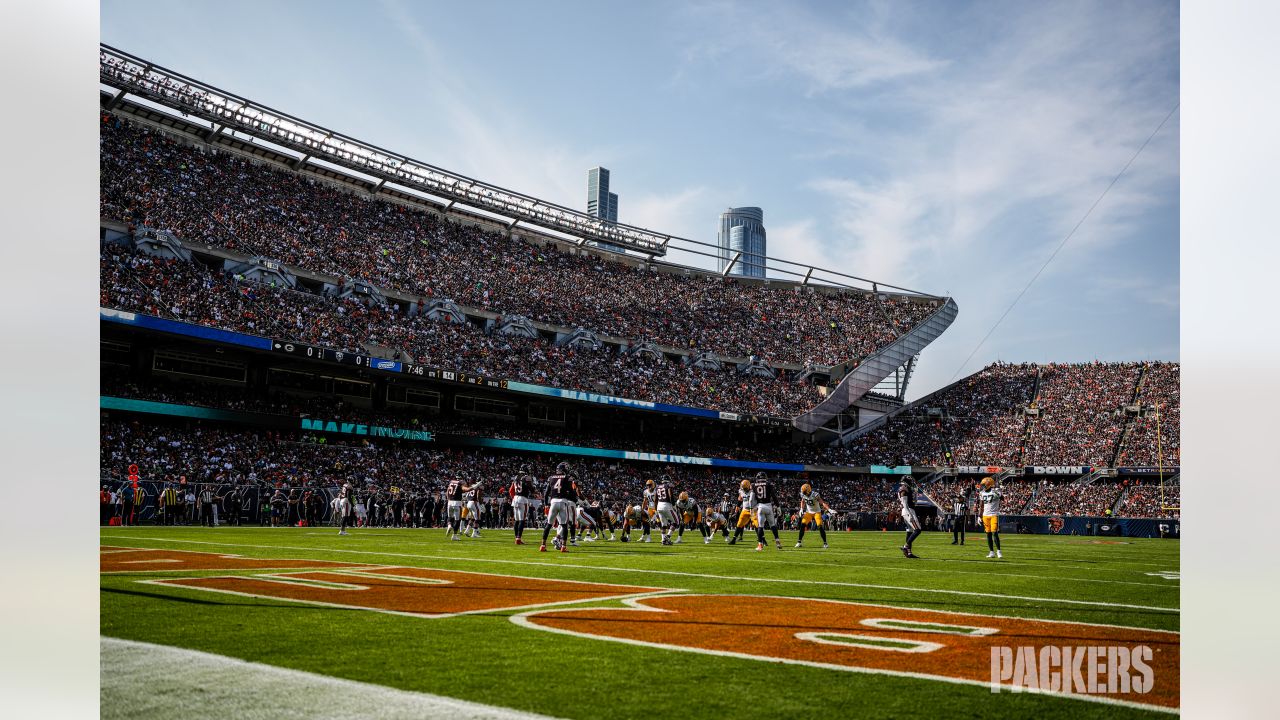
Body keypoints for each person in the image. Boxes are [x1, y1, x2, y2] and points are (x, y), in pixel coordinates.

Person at [540, 467, 576, 553]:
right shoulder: (567, 478)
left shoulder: (551, 477)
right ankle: (563, 547)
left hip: (553, 502)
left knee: (548, 525)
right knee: (564, 525)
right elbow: (571, 492)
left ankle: (543, 545)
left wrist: (546, 504)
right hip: (563, 502)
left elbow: (546, 493)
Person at [751, 472, 782, 551]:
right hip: (768, 506)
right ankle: (777, 541)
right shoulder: (768, 484)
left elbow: (751, 499)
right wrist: (778, 506)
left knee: (760, 526)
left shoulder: (753, 485)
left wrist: (752, 508)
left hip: (760, 506)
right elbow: (774, 496)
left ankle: (760, 545)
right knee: (772, 525)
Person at [795, 482, 830, 549]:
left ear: (808, 490)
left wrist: (829, 509)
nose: (803, 493)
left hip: (817, 512)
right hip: (809, 512)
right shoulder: (803, 494)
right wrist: (801, 508)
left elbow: (822, 503)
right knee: (802, 524)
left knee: (819, 526)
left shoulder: (815, 495)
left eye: (804, 492)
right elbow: (802, 501)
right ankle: (799, 542)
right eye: (803, 492)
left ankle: (825, 543)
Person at [509, 466, 535, 545]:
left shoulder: (516, 477)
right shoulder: (526, 477)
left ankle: (516, 537)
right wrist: (534, 490)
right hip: (522, 499)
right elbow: (532, 489)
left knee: (517, 520)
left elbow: (511, 490)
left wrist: (514, 497)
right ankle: (518, 538)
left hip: (515, 498)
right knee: (522, 520)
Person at [978, 476, 1003, 559]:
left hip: (993, 515)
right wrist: (979, 516)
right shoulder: (982, 493)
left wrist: (999, 493)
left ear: (988, 484)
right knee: (988, 534)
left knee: (994, 533)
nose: (982, 486)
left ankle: (999, 551)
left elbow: (1002, 498)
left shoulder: (995, 491)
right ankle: (991, 552)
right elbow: (981, 505)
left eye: (984, 485)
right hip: (985, 515)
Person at [898, 476, 922, 559]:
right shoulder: (904, 488)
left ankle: (909, 553)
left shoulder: (905, 488)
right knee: (918, 530)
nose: (911, 482)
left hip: (907, 511)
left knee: (910, 531)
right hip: (908, 511)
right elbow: (905, 503)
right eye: (910, 481)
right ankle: (905, 546)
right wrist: (910, 515)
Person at [652, 476, 679, 546]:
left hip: (659, 506)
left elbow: (655, 500)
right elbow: (670, 496)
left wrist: (655, 509)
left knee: (664, 525)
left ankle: (663, 540)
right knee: (676, 522)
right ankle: (667, 537)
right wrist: (673, 505)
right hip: (667, 505)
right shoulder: (668, 485)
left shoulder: (657, 487)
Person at [729, 479, 757, 546]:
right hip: (744, 510)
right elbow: (740, 499)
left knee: (756, 524)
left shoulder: (754, 490)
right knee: (739, 524)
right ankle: (734, 539)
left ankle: (762, 540)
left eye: (745, 488)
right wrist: (737, 507)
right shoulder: (741, 491)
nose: (744, 489)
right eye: (743, 488)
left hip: (753, 510)